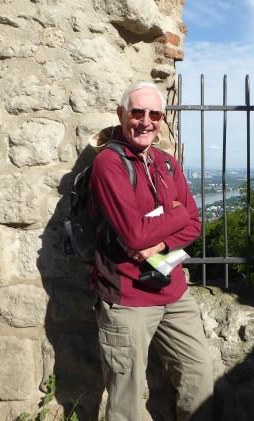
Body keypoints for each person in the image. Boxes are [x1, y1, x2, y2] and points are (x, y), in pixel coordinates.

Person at [89, 81, 213, 420]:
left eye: (154, 114)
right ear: (121, 115)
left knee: (199, 375)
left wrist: (160, 240)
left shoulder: (166, 162)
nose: (146, 121)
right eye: (137, 112)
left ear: (162, 119)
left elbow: (195, 223)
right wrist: (177, 214)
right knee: (127, 399)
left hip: (173, 291)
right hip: (127, 296)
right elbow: (134, 233)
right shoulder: (109, 164)